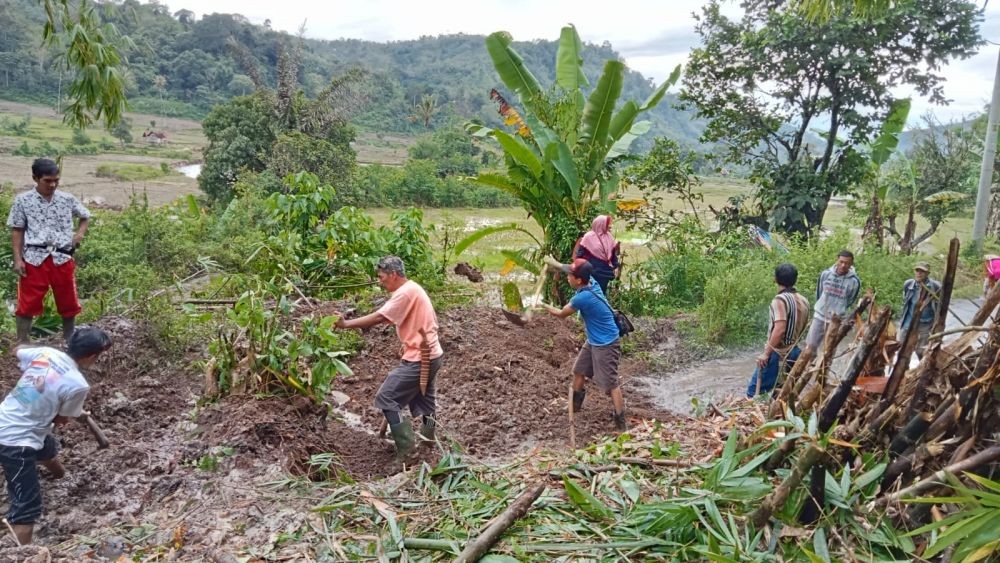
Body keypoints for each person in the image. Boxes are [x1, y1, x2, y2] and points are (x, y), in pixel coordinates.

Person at [0, 327, 111, 545]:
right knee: (26, 506)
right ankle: (21, 553)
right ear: (91, 356)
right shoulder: (78, 385)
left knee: (46, 445)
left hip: (5, 418)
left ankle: (61, 475)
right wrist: (72, 412)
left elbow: (18, 350)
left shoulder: (46, 354)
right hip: (16, 442)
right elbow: (60, 420)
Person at [333, 256, 443, 459]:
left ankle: (407, 450)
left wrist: (346, 324)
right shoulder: (413, 289)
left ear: (393, 274)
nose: (379, 280)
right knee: (426, 402)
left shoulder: (405, 293)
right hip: (432, 354)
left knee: (387, 398)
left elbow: (379, 317)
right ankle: (428, 443)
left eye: (381, 276)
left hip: (420, 357)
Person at [8, 158, 91, 343]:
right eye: (47, 180)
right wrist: (18, 259)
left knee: (68, 298)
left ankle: (69, 337)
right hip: (34, 258)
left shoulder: (67, 199)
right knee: (28, 301)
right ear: (35, 178)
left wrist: (79, 235)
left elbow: (85, 216)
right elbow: (17, 230)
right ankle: (22, 341)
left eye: (56, 180)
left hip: (62, 256)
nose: (52, 185)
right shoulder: (23, 201)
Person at [543, 258, 627, 431]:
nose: (568, 278)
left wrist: (542, 305)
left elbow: (561, 313)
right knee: (579, 371)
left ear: (579, 280)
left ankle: (621, 424)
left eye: (570, 276)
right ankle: (574, 407)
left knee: (611, 384)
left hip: (606, 343)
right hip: (594, 339)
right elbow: (567, 268)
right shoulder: (592, 281)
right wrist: (553, 263)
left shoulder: (583, 298)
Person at [746, 263, 811, 397]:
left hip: (779, 354)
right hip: (795, 353)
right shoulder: (804, 300)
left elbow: (780, 329)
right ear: (795, 279)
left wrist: (766, 353)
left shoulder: (779, 300)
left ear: (775, 278)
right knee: (781, 395)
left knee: (753, 394)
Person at [804, 250, 861, 355]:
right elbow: (819, 293)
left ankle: (823, 370)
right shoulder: (826, 274)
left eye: (847, 263)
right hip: (820, 316)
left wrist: (839, 309)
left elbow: (850, 299)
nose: (843, 265)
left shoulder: (854, 281)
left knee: (829, 350)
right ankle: (806, 367)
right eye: (841, 262)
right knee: (810, 346)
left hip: (837, 320)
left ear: (851, 264)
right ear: (837, 260)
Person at [899, 261, 941, 359]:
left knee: (921, 351)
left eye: (922, 271)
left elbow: (940, 306)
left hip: (925, 324)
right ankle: (903, 372)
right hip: (908, 322)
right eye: (917, 270)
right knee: (902, 350)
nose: (919, 273)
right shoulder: (908, 284)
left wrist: (936, 325)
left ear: (927, 274)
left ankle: (922, 372)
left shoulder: (935, 287)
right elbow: (905, 303)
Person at [574, 215, 621, 296]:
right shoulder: (588, 237)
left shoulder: (609, 237)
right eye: (607, 224)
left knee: (600, 295)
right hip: (591, 272)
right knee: (588, 294)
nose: (609, 226)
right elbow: (580, 255)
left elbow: (613, 256)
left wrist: (615, 267)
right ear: (600, 224)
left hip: (604, 273)